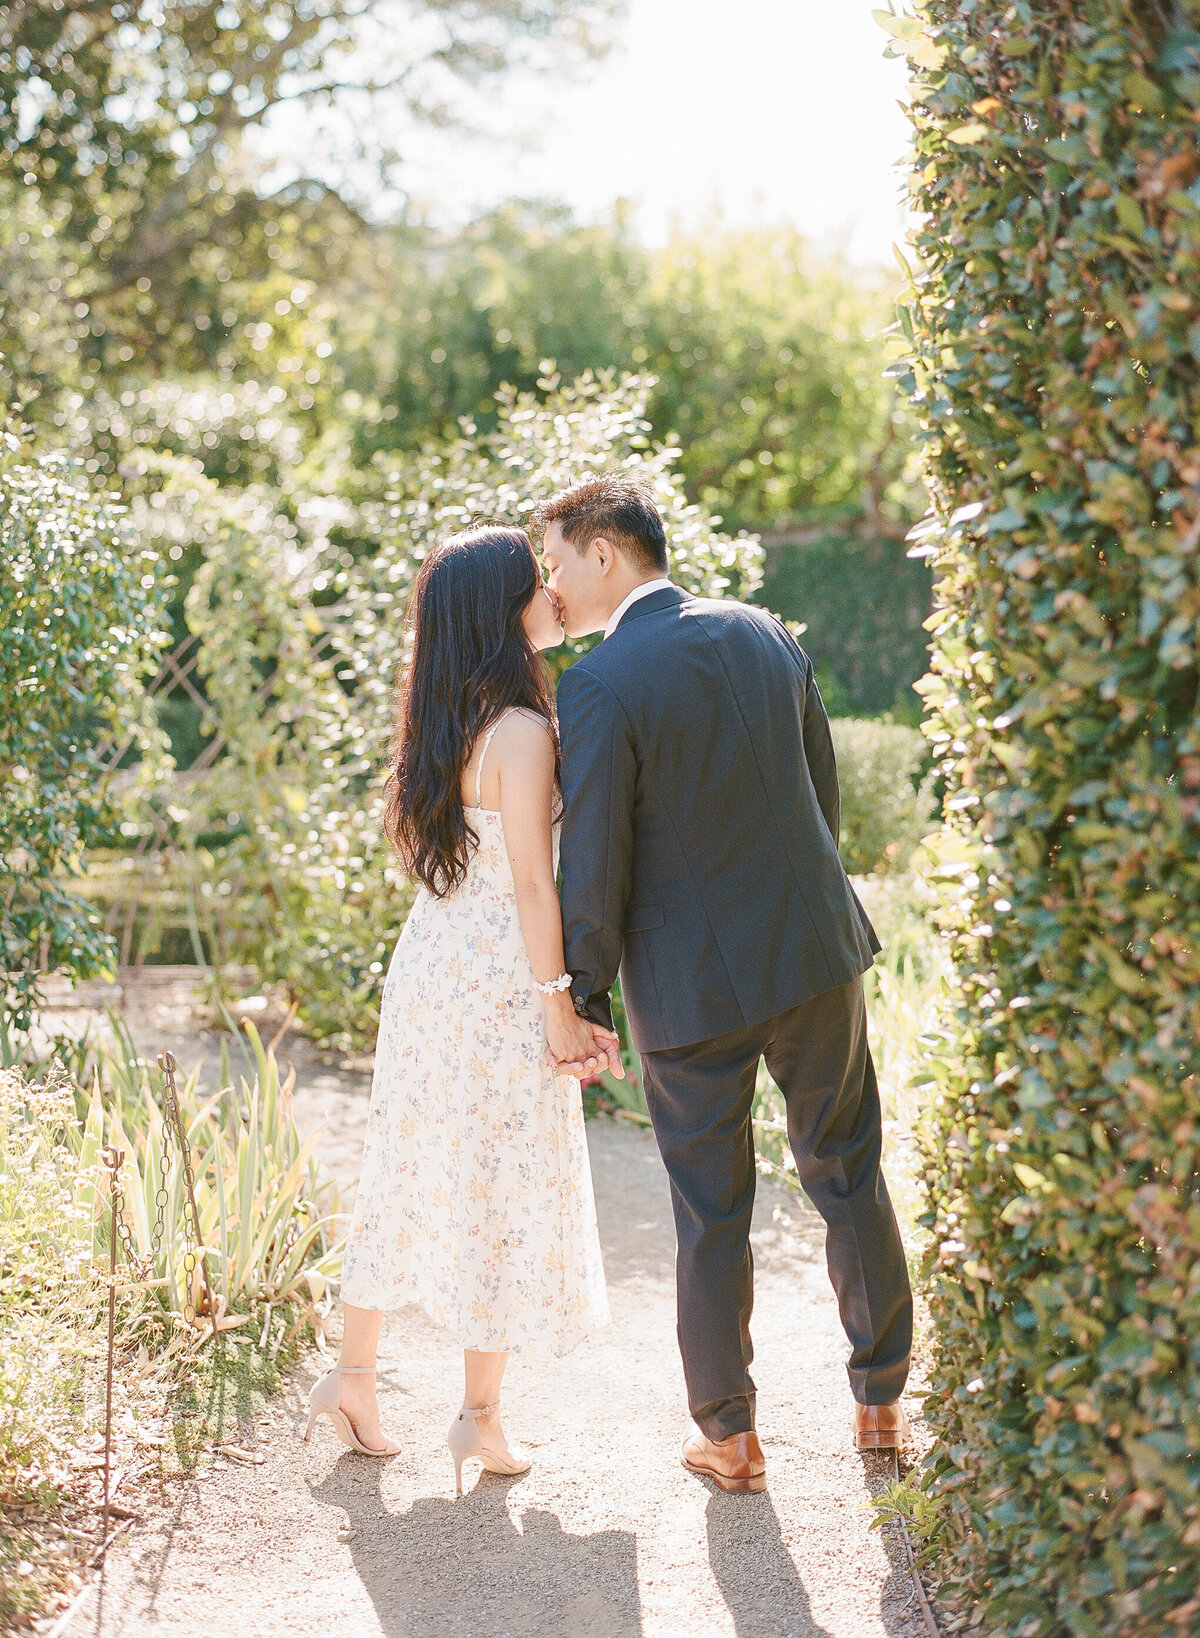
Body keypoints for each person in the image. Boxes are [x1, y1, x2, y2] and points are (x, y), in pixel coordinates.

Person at [538, 475, 913, 1495]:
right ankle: (881, 1403)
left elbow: (597, 862)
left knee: (710, 1206)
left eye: (557, 561)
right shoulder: (766, 634)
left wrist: (586, 995)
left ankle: (732, 1437)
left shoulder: (600, 684)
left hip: (689, 984)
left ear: (606, 553)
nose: (553, 584)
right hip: (811, 954)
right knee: (846, 1170)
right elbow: (818, 798)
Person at [305, 525, 619, 1493]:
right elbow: (533, 884)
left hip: (431, 970)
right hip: (496, 982)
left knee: (406, 1167)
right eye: (535, 582)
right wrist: (559, 1007)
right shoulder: (522, 732)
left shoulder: (444, 721)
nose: (550, 591)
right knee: (502, 1187)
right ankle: (479, 1417)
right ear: (500, 612)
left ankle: (353, 1376)